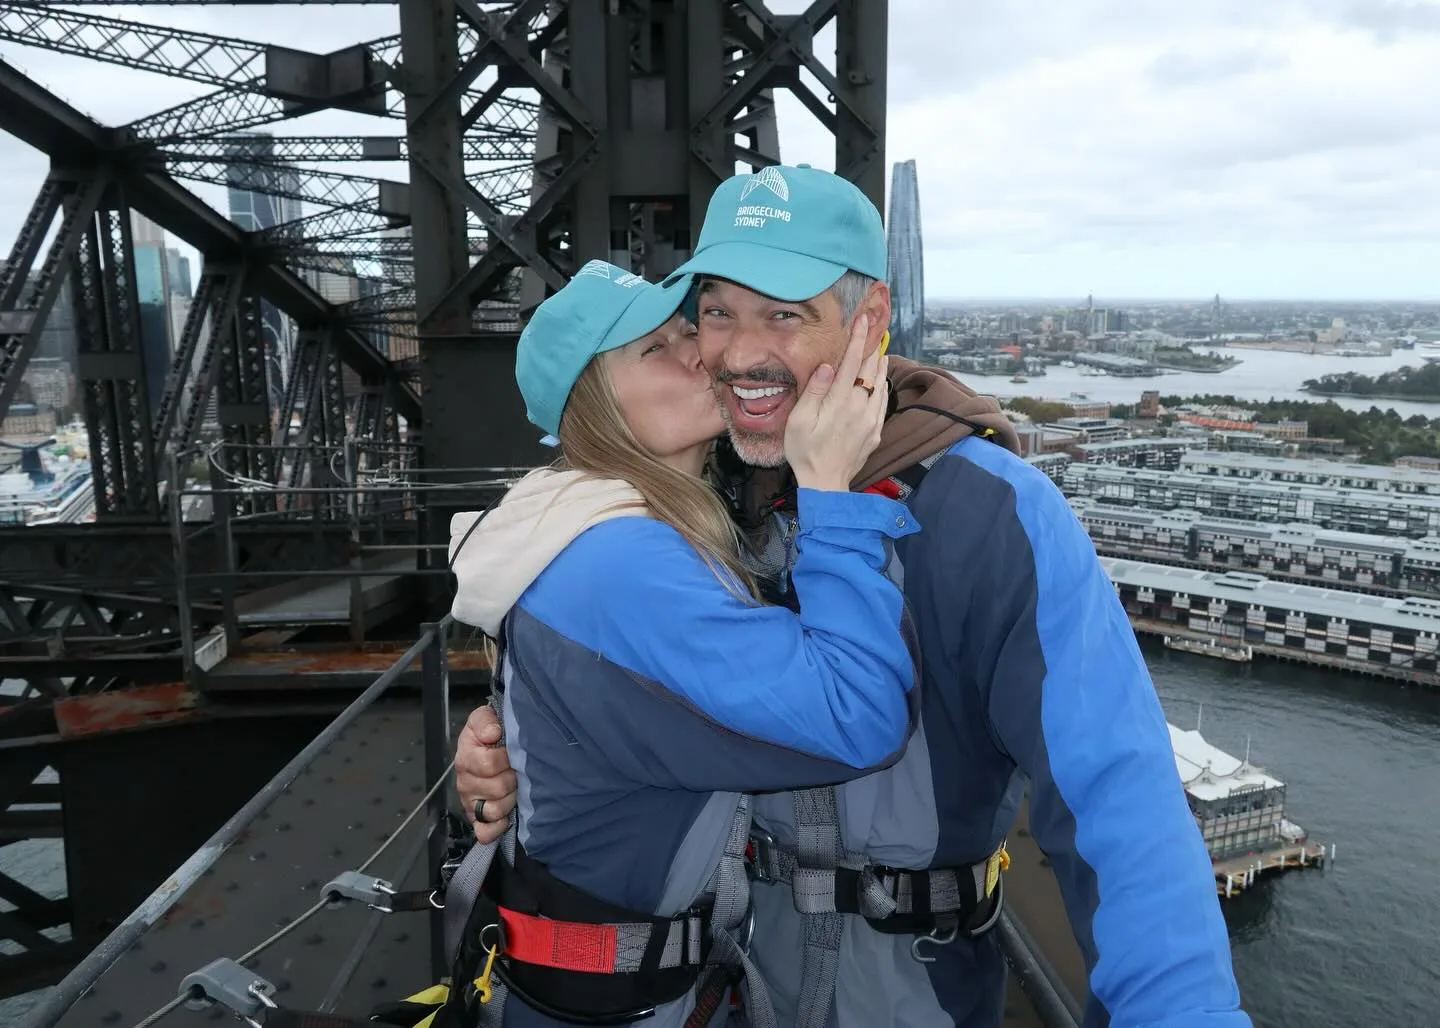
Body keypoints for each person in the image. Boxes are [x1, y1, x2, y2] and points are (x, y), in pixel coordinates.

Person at [455, 169, 1252, 1028]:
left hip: (911, 992)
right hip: (731, 987)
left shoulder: (984, 510)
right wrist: (529, 744)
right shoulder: (696, 491)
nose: (731, 352)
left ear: (869, 320)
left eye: (784, 314)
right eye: (716, 311)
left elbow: (1121, 803)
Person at [440, 258, 926, 1028]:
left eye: (687, 328)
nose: (704, 353)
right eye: (655, 348)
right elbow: (858, 714)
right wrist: (834, 494)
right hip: (612, 1005)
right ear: (592, 402)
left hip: (601, 984)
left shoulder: (597, 529)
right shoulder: (621, 560)